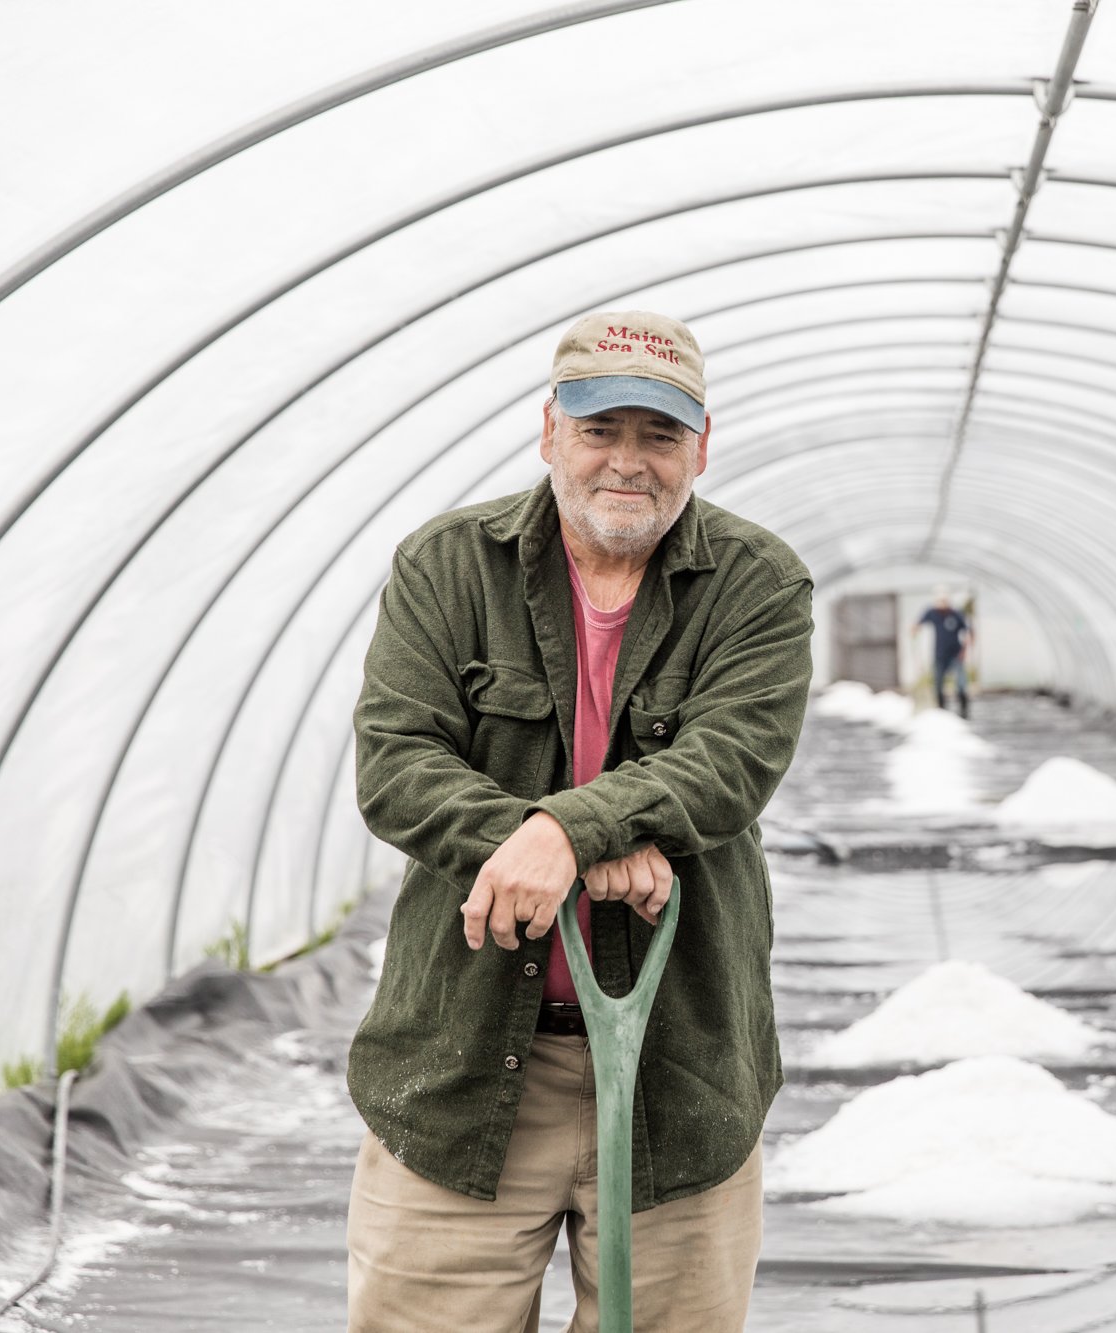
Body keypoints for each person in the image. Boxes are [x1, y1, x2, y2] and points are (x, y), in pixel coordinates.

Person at [344, 309, 813, 1333]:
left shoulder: (754, 581)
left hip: (676, 1074)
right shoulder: (447, 567)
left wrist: (565, 834)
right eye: (602, 430)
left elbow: (727, 761)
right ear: (550, 430)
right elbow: (397, 764)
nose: (627, 462)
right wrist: (571, 840)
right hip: (459, 1069)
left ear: (700, 446)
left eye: (658, 435)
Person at [916, 592, 973, 718]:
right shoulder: (932, 612)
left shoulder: (956, 614)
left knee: (961, 683)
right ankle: (941, 711)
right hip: (940, 654)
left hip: (956, 654)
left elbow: (968, 632)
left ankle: (964, 712)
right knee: (938, 683)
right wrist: (915, 628)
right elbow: (918, 623)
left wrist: (964, 651)